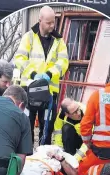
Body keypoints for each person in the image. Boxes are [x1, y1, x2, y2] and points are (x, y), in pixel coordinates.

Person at [14, 6, 69, 144]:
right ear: (40, 20)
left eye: (53, 22)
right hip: (29, 90)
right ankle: (27, 156)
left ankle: (43, 157)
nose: (52, 25)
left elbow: (63, 62)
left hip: (49, 92)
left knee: (47, 127)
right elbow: (20, 58)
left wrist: (50, 74)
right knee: (27, 125)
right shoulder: (29, 37)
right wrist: (33, 74)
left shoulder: (59, 41)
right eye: (48, 22)